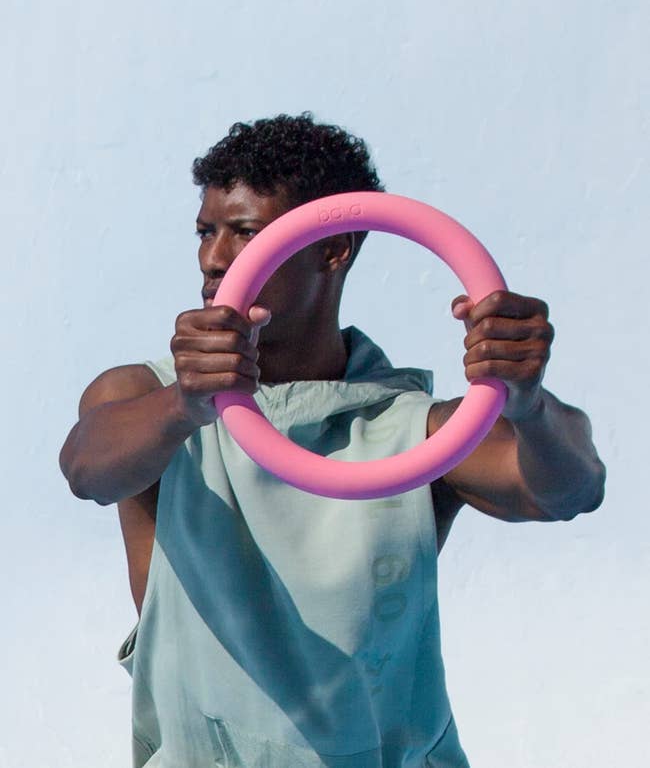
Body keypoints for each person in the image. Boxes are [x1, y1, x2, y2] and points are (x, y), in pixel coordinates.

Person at [59, 113, 606, 768]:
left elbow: (571, 490)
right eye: (206, 231)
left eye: (246, 233)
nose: (213, 258)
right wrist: (186, 401)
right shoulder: (150, 401)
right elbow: (87, 470)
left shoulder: (416, 429)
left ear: (332, 248)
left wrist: (527, 401)